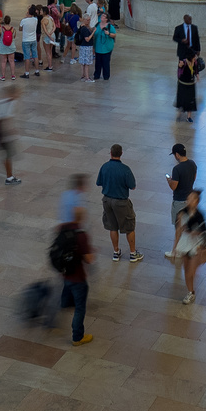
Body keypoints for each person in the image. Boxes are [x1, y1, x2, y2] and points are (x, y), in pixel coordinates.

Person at [55, 207, 95, 346]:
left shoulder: (64, 228)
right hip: (78, 278)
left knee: (65, 299)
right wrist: (91, 252)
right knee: (80, 308)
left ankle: (54, 321)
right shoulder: (81, 235)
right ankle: (78, 337)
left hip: (65, 274)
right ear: (82, 217)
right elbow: (89, 259)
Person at [97, 144, 141, 261]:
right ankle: (132, 253)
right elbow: (132, 186)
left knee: (113, 227)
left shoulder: (104, 167)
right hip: (121, 202)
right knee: (129, 226)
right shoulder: (125, 169)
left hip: (107, 200)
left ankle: (116, 252)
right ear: (121, 153)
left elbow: (99, 182)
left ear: (110, 153)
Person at [172, 189, 206, 305]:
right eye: (188, 198)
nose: (189, 201)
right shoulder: (181, 213)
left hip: (197, 245)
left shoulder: (200, 216)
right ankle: (191, 292)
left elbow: (205, 232)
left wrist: (203, 246)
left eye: (192, 199)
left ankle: (191, 292)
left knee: (190, 272)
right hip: (185, 243)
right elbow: (178, 230)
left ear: (197, 201)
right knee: (186, 270)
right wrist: (175, 247)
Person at [163, 144, 197, 259]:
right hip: (190, 200)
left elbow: (174, 186)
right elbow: (194, 178)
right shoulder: (192, 164)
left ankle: (175, 251)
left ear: (177, 155)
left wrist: (169, 180)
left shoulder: (177, 169)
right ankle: (191, 249)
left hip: (179, 201)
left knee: (178, 228)